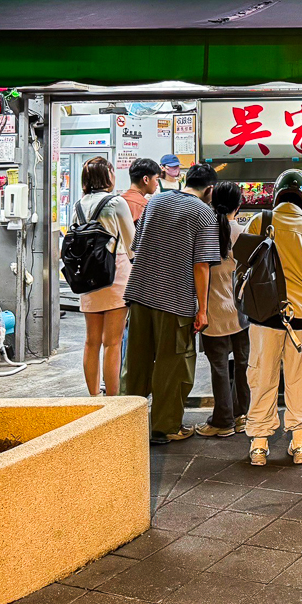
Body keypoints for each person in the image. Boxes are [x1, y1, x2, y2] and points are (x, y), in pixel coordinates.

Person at [122, 163, 221, 445]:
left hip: (140, 293)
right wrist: (202, 309)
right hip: (175, 301)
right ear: (210, 190)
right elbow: (202, 265)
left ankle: (126, 421)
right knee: (173, 365)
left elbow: (137, 245)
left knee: (136, 362)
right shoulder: (204, 213)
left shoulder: (156, 200)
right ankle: (164, 427)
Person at [244, 179, 302, 466]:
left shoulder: (258, 221)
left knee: (261, 377)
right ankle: (300, 444)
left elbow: (243, 263)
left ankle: (259, 445)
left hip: (263, 316)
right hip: (301, 317)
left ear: (277, 195)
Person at [74, 157, 137, 397]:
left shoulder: (79, 204)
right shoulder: (116, 202)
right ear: (107, 176)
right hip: (115, 274)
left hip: (88, 276)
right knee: (113, 342)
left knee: (92, 341)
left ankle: (93, 397)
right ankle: (112, 399)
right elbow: (131, 244)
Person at [196, 181, 250, 438]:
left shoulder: (204, 230)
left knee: (218, 366)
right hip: (241, 311)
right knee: (243, 364)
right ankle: (243, 416)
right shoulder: (244, 232)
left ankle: (222, 420)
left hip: (212, 310)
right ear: (238, 205)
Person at [122, 158, 161, 223]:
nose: (157, 184)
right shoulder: (144, 207)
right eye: (156, 179)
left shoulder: (120, 199)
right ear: (146, 179)